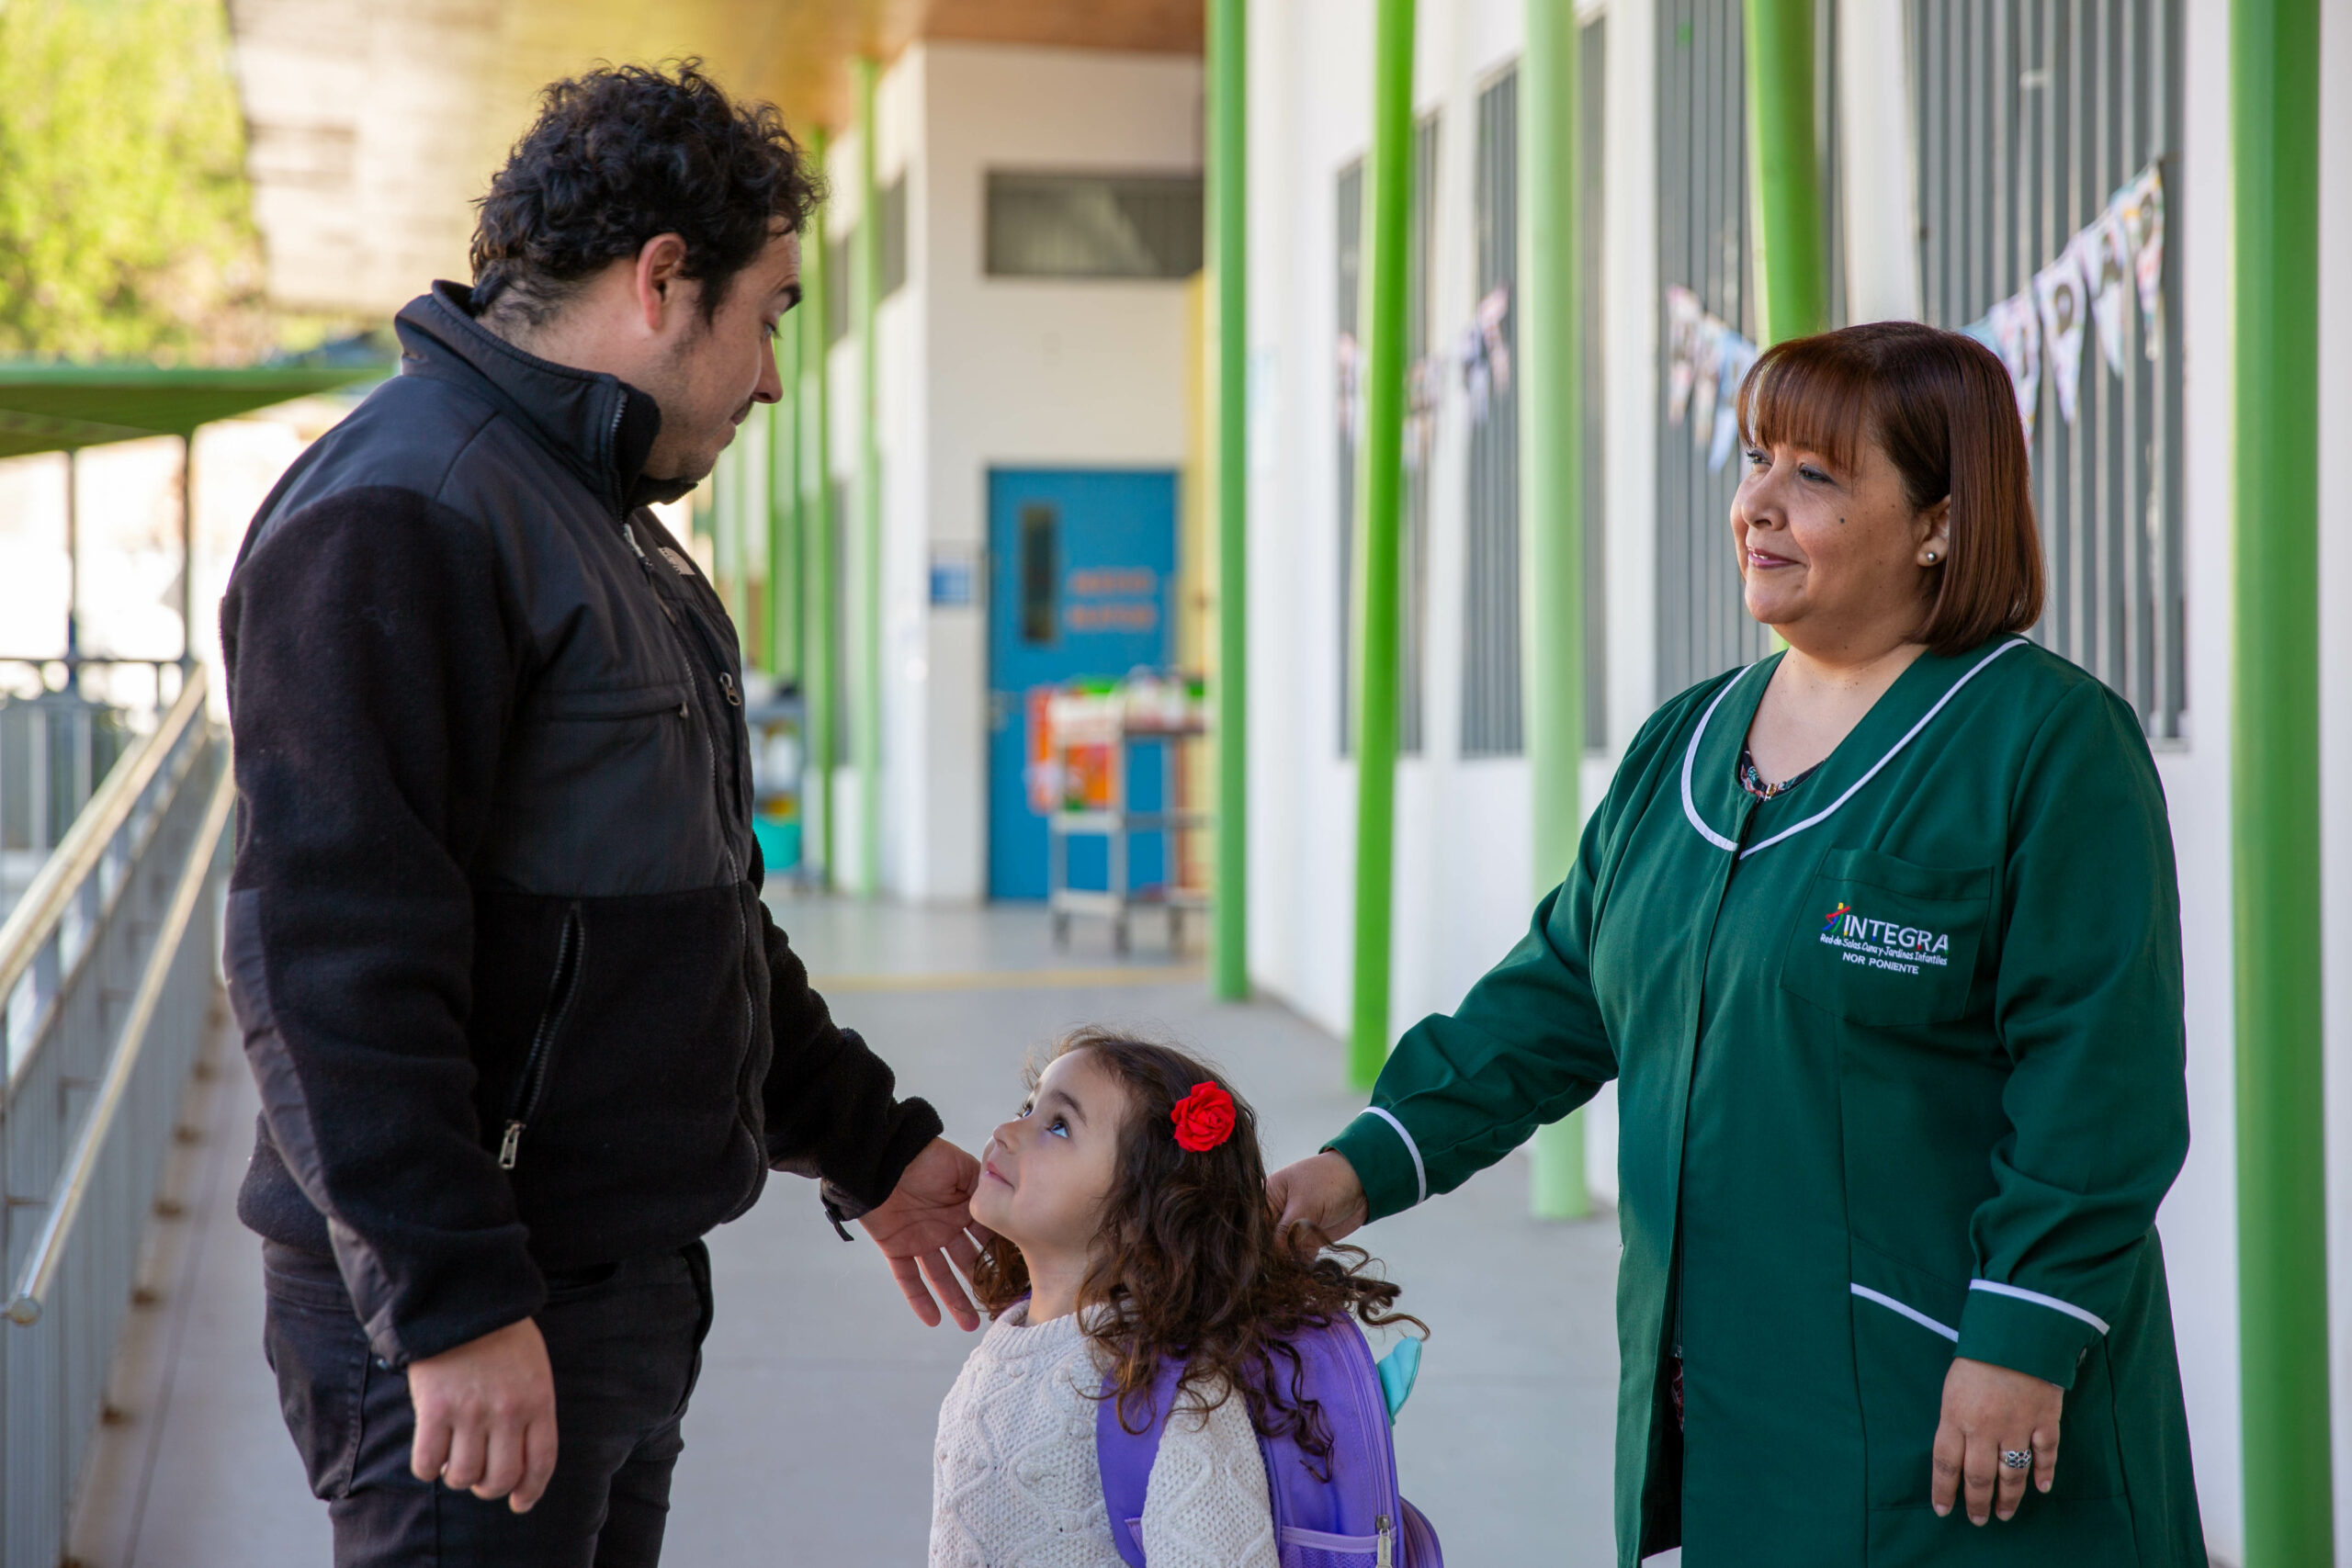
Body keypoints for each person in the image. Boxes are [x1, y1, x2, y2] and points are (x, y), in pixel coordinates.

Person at [1269, 322, 2205, 1566]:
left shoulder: (2042, 743)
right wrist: (1350, 1172)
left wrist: (2023, 1334)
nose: (1757, 501)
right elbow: (1554, 1001)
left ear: (1939, 517)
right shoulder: (1685, 745)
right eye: (1758, 457)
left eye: (1816, 474)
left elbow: (2102, 1087)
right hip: (1724, 1404)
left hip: (1958, 1408)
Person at [220, 62, 984, 1563]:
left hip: (618, 1285)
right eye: (769, 314)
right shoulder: (409, 507)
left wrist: (874, 1148)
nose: (772, 375)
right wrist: (453, 1301)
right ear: (660, 279)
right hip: (480, 1307)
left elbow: (694, 920)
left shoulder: (607, 529)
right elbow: (325, 948)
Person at [932, 1030, 1419, 1568]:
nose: (1005, 1132)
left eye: (1059, 1126)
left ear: (1140, 1213)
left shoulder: (1179, 1402)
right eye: (1028, 1106)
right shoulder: (1006, 1344)